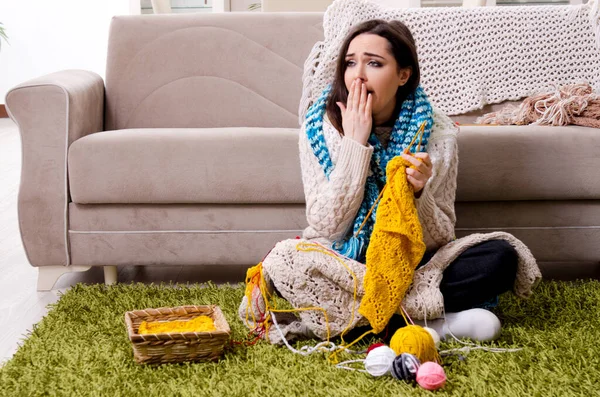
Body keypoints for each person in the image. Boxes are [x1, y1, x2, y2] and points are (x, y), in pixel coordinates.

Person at [239, 19, 541, 345]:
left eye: (374, 63)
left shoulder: (438, 132)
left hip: (411, 263)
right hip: (344, 261)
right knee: (284, 261)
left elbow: (441, 235)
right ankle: (428, 322)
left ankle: (361, 322)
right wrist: (355, 145)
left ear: (403, 75)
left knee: (500, 256)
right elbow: (327, 226)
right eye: (350, 62)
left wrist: (419, 194)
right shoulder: (320, 127)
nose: (358, 74)